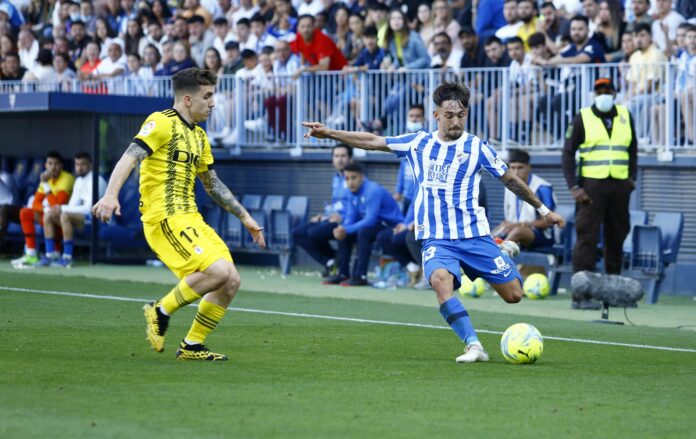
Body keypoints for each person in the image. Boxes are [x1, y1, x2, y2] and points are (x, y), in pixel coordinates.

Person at [303, 82, 565, 363]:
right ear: (436, 115)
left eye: (461, 115)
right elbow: (372, 141)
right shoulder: (418, 143)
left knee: (514, 295)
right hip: (437, 238)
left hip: (474, 235)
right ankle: (473, 345)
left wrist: (543, 210)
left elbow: (510, 180)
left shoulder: (477, 147)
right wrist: (329, 132)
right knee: (440, 281)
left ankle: (500, 249)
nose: (456, 121)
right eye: (449, 115)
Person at [92, 67, 265, 361]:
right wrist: (111, 195)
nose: (212, 103)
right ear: (187, 99)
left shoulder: (199, 136)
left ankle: (192, 345)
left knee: (230, 280)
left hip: (191, 218)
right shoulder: (160, 122)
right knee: (218, 271)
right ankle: (160, 310)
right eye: (207, 96)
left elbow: (212, 184)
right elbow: (129, 157)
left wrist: (245, 216)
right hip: (164, 218)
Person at [562, 77, 637, 310]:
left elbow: (633, 149)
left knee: (617, 236)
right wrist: (574, 187)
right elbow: (567, 153)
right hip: (591, 188)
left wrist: (632, 178)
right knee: (587, 238)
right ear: (594, 93)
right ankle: (581, 295)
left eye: (607, 89)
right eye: (599, 90)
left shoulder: (625, 115)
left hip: (619, 186)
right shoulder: (582, 117)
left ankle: (614, 294)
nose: (603, 93)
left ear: (614, 92)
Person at [327, 162, 404, 286]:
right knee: (345, 232)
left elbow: (370, 220)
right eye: (347, 178)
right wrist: (342, 228)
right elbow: (351, 216)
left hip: (392, 226)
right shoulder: (350, 190)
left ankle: (360, 276)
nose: (350, 182)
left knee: (364, 231)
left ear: (362, 177)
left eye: (354, 178)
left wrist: (346, 229)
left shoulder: (372, 190)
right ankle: (343, 274)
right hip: (375, 226)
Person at [292, 144, 352, 277]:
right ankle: (330, 262)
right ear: (332, 160)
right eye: (336, 156)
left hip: (347, 221)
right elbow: (336, 205)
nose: (339, 159)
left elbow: (358, 205)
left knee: (314, 232)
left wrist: (342, 217)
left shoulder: (354, 179)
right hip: (332, 219)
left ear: (350, 159)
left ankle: (335, 259)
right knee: (297, 233)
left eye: (343, 156)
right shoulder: (336, 178)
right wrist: (324, 216)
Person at [11, 151, 75, 268]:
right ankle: (31, 253)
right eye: (50, 163)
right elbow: (35, 203)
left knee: (50, 215)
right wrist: (45, 209)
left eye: (56, 164)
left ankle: (54, 253)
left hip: (63, 218)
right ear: (45, 165)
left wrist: (45, 185)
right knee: (25, 212)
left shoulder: (67, 178)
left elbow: (57, 204)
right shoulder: (46, 179)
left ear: (61, 165)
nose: (53, 167)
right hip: (49, 215)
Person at [52, 152, 107, 267]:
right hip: (85, 220)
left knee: (65, 215)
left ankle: (67, 257)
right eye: (77, 164)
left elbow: (89, 209)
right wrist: (61, 209)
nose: (79, 167)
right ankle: (51, 255)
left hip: (102, 221)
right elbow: (72, 205)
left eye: (83, 164)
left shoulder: (96, 180)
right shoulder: (78, 181)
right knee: (50, 215)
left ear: (90, 165)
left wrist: (62, 208)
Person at [494, 149, 556, 250]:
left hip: (542, 236)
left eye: (520, 168)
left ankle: (500, 257)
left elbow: (547, 222)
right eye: (513, 168)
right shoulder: (509, 186)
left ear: (529, 168)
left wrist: (520, 224)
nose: (516, 172)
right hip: (514, 232)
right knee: (490, 235)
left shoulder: (542, 187)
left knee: (519, 231)